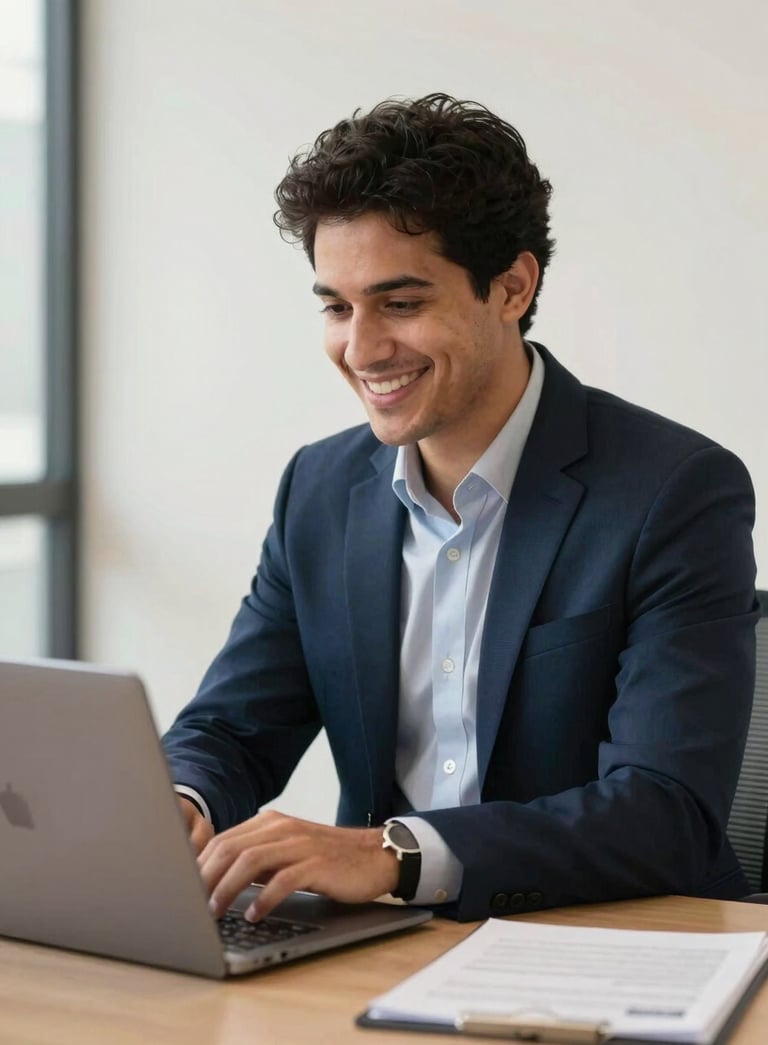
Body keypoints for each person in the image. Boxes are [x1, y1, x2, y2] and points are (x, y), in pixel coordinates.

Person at [162, 93, 758, 925]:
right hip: (378, 948)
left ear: (512, 287)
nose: (362, 349)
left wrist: (394, 854)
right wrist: (179, 807)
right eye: (336, 306)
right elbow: (231, 729)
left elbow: (664, 812)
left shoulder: (675, 491)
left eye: (401, 304)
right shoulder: (320, 490)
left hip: (607, 945)